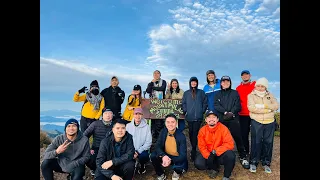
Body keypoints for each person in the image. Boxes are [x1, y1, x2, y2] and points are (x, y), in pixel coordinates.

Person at [213, 75, 250, 169]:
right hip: (222, 119)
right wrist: (225, 112)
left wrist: (231, 113)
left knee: (238, 138)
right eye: (223, 81)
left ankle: (243, 156)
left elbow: (238, 105)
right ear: (221, 83)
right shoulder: (217, 94)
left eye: (227, 81)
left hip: (233, 119)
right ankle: (219, 156)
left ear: (230, 83)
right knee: (220, 139)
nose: (225, 83)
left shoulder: (235, 93)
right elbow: (216, 105)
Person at [247, 77, 279, 173]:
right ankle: (254, 162)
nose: (260, 88)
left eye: (262, 86)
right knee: (256, 142)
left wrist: (263, 106)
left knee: (268, 142)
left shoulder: (270, 95)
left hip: (270, 122)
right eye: (258, 86)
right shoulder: (251, 96)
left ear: (265, 87)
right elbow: (252, 108)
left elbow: (276, 106)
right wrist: (269, 109)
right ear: (256, 86)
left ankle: (266, 163)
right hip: (257, 121)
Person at [195, 110, 236, 180]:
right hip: (209, 154)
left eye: (214, 117)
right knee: (199, 163)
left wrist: (216, 151)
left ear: (217, 119)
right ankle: (214, 168)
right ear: (206, 120)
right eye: (209, 117)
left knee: (231, 155)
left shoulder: (223, 129)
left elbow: (230, 144)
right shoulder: (202, 130)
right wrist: (208, 156)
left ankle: (226, 176)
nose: (211, 119)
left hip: (220, 154)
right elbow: (201, 146)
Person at [150, 113, 188, 180]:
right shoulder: (163, 131)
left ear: (176, 123)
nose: (170, 124)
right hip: (166, 155)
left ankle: (177, 172)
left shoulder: (181, 136)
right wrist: (163, 155)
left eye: (172, 122)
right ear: (165, 123)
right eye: (168, 122)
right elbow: (157, 145)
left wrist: (170, 160)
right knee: (153, 156)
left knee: (180, 167)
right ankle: (161, 174)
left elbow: (183, 155)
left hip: (176, 157)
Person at [182, 76, 207, 161]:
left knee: (195, 133)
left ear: (197, 83)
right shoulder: (186, 93)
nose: (194, 83)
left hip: (198, 117)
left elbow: (205, 102)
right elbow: (184, 103)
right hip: (189, 117)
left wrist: (202, 111)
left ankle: (193, 150)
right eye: (192, 82)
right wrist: (185, 111)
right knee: (191, 133)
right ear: (190, 83)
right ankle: (193, 147)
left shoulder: (201, 92)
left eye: (195, 82)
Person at [83, 108, 114, 176]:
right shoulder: (95, 124)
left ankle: (104, 171)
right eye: (106, 113)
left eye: (110, 113)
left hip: (110, 149)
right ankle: (94, 169)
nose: (108, 115)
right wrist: (88, 148)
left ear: (112, 115)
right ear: (102, 115)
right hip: (96, 148)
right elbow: (84, 136)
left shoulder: (115, 125)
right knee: (88, 158)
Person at [126, 108, 152, 174]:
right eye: (136, 114)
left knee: (144, 156)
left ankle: (142, 165)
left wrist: (138, 151)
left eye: (140, 114)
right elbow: (125, 140)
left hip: (141, 150)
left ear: (142, 115)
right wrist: (131, 151)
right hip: (130, 149)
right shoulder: (128, 126)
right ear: (133, 115)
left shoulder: (146, 127)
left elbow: (148, 142)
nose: (138, 116)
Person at [236, 70, 256, 155]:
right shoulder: (238, 88)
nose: (245, 76)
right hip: (242, 114)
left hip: (255, 114)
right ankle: (246, 152)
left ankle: (255, 153)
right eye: (243, 75)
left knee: (256, 135)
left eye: (246, 75)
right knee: (244, 135)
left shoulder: (255, 85)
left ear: (250, 75)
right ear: (241, 77)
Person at [146, 70, 167, 140]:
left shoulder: (163, 82)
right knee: (153, 123)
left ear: (160, 75)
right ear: (153, 75)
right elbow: (148, 90)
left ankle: (159, 139)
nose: (156, 75)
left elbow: (162, 88)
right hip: (152, 105)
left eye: (158, 73)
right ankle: (153, 139)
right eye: (155, 73)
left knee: (159, 123)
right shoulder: (150, 83)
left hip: (161, 104)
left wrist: (153, 87)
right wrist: (152, 83)